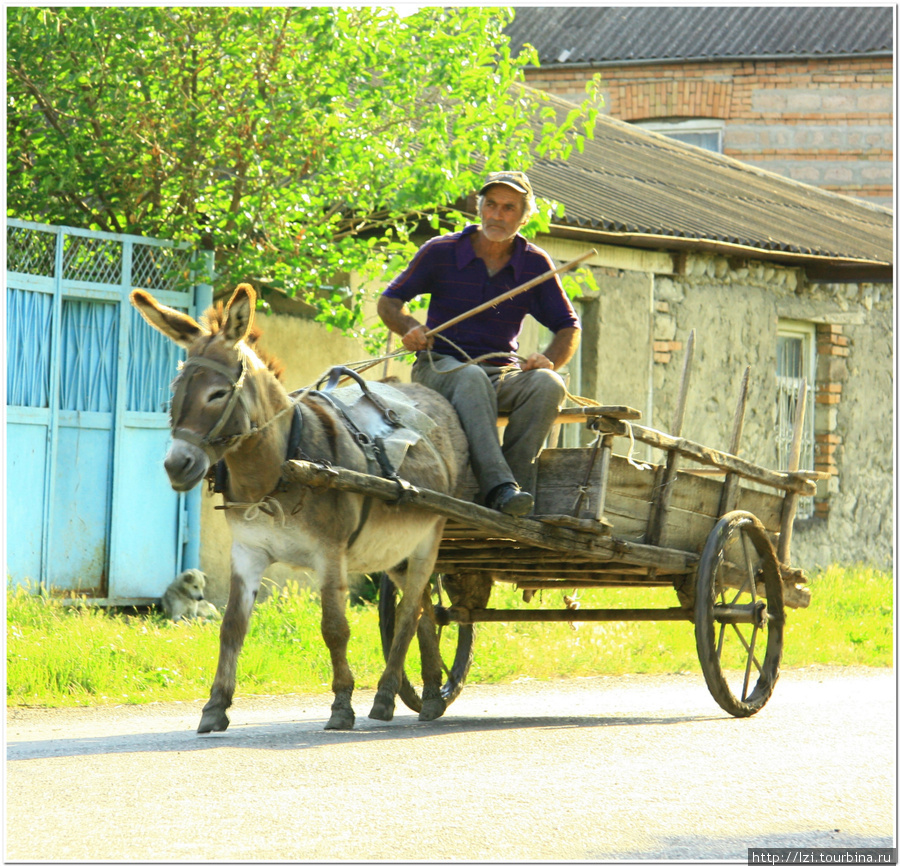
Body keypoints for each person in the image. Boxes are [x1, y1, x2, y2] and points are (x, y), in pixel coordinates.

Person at [377, 170, 581, 517]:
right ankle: (497, 487)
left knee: (548, 385)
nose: (497, 215)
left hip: (501, 373)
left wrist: (548, 360)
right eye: (491, 205)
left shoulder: (534, 264)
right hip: (440, 366)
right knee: (470, 378)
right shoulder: (441, 251)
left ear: (524, 216)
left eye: (508, 208)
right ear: (479, 207)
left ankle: (514, 490)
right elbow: (389, 302)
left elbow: (568, 326)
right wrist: (410, 328)